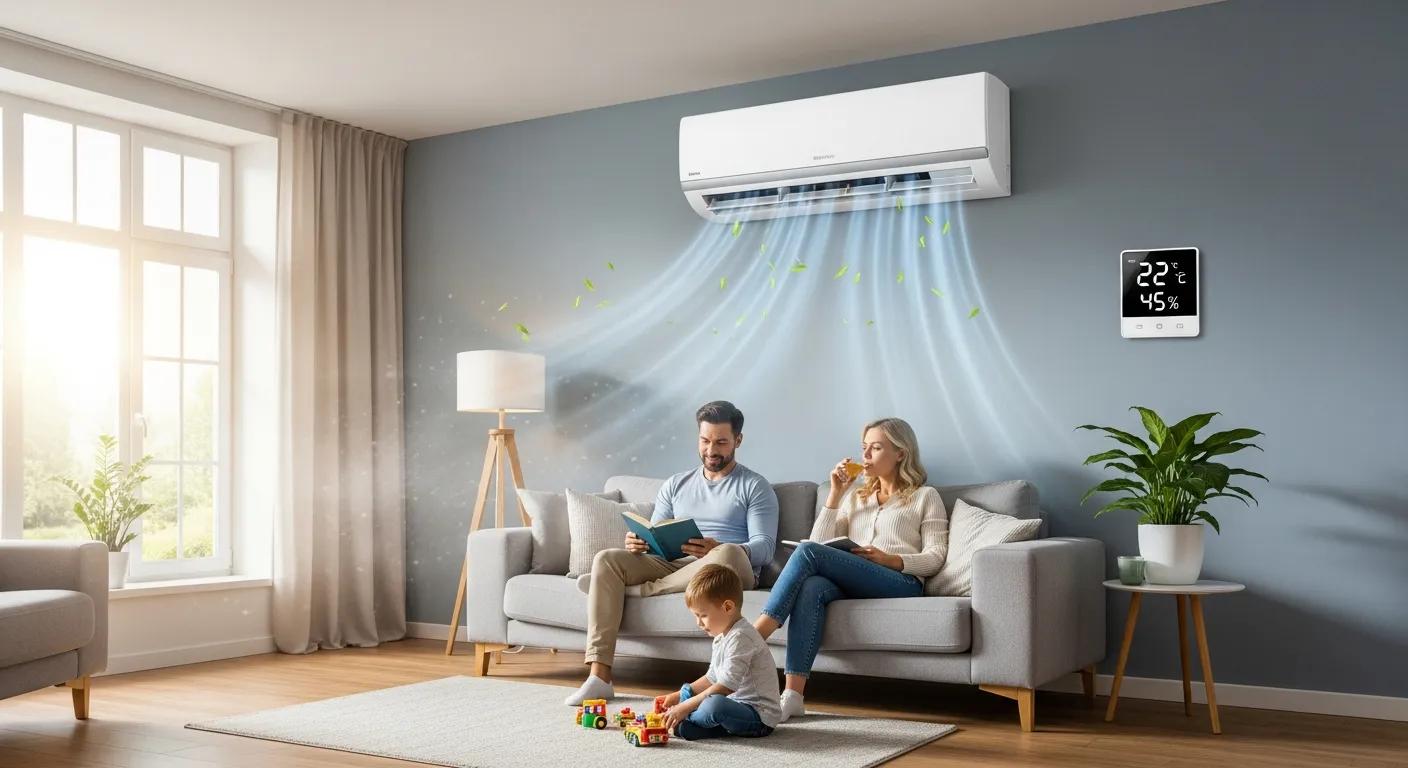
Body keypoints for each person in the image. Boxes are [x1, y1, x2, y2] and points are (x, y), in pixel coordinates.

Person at [563, 400, 780, 705]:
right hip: (676, 566)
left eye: (721, 442)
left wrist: (715, 547)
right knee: (607, 560)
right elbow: (656, 531)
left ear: (738, 441)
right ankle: (599, 677)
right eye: (705, 441)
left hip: (724, 571)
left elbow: (764, 549)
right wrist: (639, 542)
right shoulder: (676, 484)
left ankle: (643, 590)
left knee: (730, 552)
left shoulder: (754, 486)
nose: (711, 450)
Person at [753, 417, 947, 722]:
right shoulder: (856, 497)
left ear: (901, 453)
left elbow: (936, 555)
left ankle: (754, 636)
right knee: (812, 586)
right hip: (855, 579)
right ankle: (792, 696)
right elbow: (818, 543)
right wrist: (835, 494)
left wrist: (892, 560)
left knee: (806, 554)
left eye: (876, 447)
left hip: (900, 582)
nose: (866, 455)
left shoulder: (926, 497)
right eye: (864, 447)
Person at [658, 564, 780, 739]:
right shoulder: (721, 636)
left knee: (714, 705)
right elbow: (712, 678)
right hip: (735, 707)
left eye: (703, 616)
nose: (698, 623)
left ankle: (690, 719)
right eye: (696, 616)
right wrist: (679, 695)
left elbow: (724, 687)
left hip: (759, 717)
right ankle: (696, 726)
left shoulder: (741, 637)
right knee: (705, 707)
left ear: (728, 608)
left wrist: (685, 707)